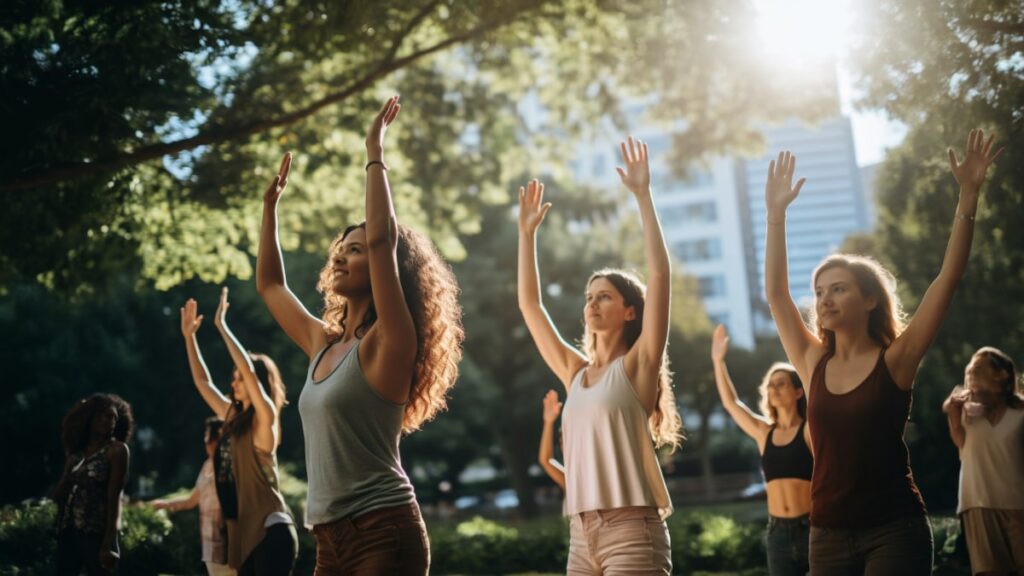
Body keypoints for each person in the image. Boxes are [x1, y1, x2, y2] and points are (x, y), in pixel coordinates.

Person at [763, 129, 1004, 574]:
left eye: (839, 289)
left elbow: (946, 279)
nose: (824, 300)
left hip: (893, 530)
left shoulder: (897, 359)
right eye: (819, 292)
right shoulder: (813, 362)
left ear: (870, 299)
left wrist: (968, 195)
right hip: (827, 534)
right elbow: (777, 294)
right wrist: (775, 217)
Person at [256, 95, 463, 575]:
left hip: (383, 529)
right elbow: (270, 285)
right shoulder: (323, 343)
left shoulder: (390, 341)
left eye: (355, 249)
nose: (342, 256)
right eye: (340, 249)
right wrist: (270, 209)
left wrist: (375, 150)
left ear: (387, 268)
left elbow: (382, 239)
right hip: (329, 537)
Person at [517, 137, 681, 575]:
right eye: (589, 297)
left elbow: (661, 275)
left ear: (630, 311)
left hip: (632, 530)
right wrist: (526, 235)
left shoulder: (638, 364)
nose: (592, 303)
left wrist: (643, 196)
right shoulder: (575, 372)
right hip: (580, 533)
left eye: (604, 296)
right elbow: (531, 308)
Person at [180, 288, 296, 575]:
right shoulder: (233, 419)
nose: (234, 384)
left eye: (239, 379)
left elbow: (248, 371)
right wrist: (189, 338)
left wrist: (222, 326)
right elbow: (203, 383)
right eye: (233, 379)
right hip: (246, 537)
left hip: (272, 531)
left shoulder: (266, 418)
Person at [711, 324, 811, 575]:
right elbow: (731, 403)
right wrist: (718, 361)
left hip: (813, 529)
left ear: (798, 391)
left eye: (781, 384)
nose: (773, 389)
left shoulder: (810, 430)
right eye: (770, 385)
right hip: (777, 533)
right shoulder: (764, 433)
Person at [943, 346, 1024, 575]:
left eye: (977, 368)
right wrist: (952, 412)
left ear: (1002, 374)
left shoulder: (1021, 412)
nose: (969, 372)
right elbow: (960, 443)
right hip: (976, 501)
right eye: (969, 368)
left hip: (1019, 503)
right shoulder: (965, 411)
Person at [52, 393, 133, 575]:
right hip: (68, 531)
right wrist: (67, 481)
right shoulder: (76, 454)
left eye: (114, 417)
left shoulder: (117, 450)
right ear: (92, 418)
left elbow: (114, 498)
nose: (110, 421)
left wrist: (109, 544)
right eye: (105, 415)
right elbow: (59, 495)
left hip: (95, 534)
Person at [150, 417, 234, 576]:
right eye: (207, 438)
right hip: (209, 541)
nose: (207, 443)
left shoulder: (231, 466)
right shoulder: (207, 465)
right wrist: (162, 504)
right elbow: (192, 500)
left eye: (211, 438)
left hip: (228, 539)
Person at [538, 389, 566, 491]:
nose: (563, 443)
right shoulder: (571, 480)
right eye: (561, 439)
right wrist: (548, 422)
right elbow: (545, 460)